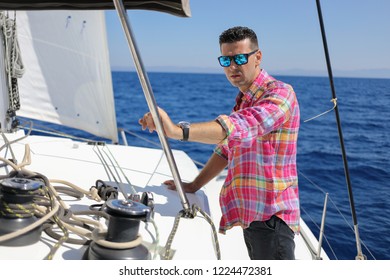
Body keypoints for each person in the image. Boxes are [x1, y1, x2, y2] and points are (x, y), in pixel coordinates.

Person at [138, 26, 300, 260]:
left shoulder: (280, 94)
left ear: (258, 57)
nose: (232, 66)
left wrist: (175, 131)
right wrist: (194, 185)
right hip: (254, 218)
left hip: (272, 220)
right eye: (226, 59)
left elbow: (241, 127)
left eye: (240, 58)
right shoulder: (245, 100)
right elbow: (226, 149)